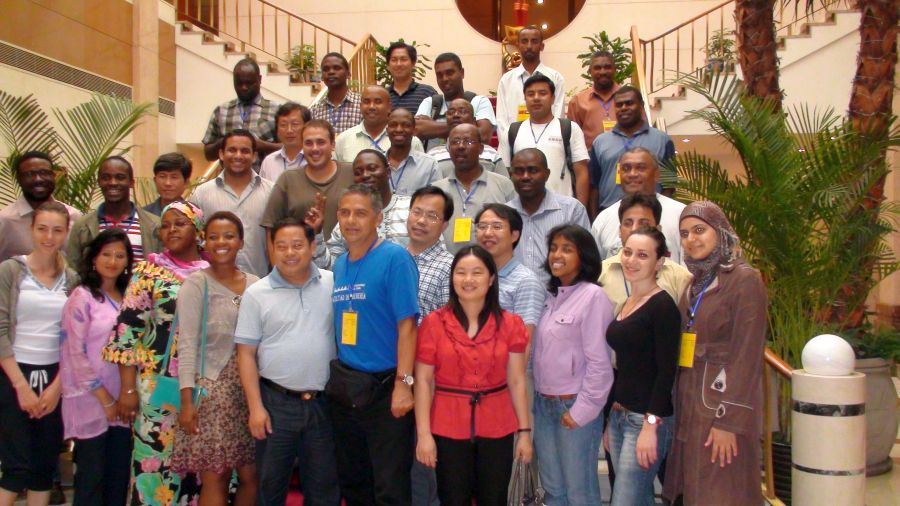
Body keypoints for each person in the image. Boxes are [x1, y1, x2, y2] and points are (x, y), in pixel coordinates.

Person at [102, 201, 210, 505]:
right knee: (156, 462)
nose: (171, 230)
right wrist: (127, 390)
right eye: (165, 225)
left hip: (206, 385)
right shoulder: (148, 273)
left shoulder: (216, 273)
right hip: (158, 387)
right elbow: (127, 333)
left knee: (202, 467)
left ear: (198, 231)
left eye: (180, 223)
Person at [663, 202, 767, 506]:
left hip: (719, 406)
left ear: (720, 231)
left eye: (699, 230)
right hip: (691, 402)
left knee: (721, 490)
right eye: (684, 233)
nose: (691, 239)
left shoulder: (744, 280)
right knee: (693, 489)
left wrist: (728, 422)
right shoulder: (695, 282)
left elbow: (747, 356)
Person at [414, 245, 533, 506]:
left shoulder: (511, 324)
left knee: (494, 498)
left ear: (491, 279)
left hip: (498, 425)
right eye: (461, 272)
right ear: (452, 278)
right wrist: (423, 434)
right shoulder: (433, 323)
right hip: (447, 425)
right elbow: (423, 381)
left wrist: (524, 432)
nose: (468, 280)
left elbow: (516, 381)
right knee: (452, 498)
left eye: (477, 272)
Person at [235, 217, 340, 506]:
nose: (289, 253)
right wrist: (256, 408)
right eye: (281, 246)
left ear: (312, 247)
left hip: (324, 404)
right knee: (270, 487)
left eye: (297, 245)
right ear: (271, 249)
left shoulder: (332, 284)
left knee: (324, 488)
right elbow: (245, 354)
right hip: (275, 403)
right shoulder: (257, 294)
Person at [329, 184, 419, 506]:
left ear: (378, 218)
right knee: (354, 482)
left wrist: (404, 384)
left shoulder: (395, 258)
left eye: (360, 213)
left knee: (389, 486)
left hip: (386, 389)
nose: (351, 220)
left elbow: (408, 326)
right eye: (345, 213)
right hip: (347, 388)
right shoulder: (340, 264)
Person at [172, 211, 259, 505]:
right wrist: (187, 402)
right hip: (212, 394)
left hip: (250, 392)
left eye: (229, 236)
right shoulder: (196, 284)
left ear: (241, 242)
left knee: (252, 475)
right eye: (213, 237)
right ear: (204, 242)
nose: (221, 242)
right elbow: (187, 345)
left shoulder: (256, 284)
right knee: (216, 475)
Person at [0, 202, 77, 506]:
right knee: (16, 468)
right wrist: (21, 387)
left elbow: (74, 340)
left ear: (66, 233)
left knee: (44, 467)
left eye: (57, 230)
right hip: (13, 374)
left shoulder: (72, 279)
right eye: (42, 229)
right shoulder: (10, 271)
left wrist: (57, 387)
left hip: (55, 376)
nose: (49, 237)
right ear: (31, 230)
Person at [532, 224, 614, 506]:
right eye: (554, 248)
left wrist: (583, 410)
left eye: (567, 249)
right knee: (553, 490)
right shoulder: (551, 298)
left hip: (573, 405)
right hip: (544, 405)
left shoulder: (593, 296)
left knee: (580, 493)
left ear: (584, 256)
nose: (557, 255)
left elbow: (600, 363)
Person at [604, 227, 680, 506]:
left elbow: (666, 372)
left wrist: (650, 426)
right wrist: (611, 418)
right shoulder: (629, 302)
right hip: (619, 415)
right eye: (628, 252)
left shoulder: (663, 307)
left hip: (646, 420)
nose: (631, 260)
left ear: (659, 262)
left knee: (624, 500)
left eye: (642, 255)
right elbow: (625, 366)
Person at [60, 229, 134, 506]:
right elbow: (74, 354)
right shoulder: (82, 297)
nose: (113, 261)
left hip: (124, 401)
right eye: (106, 254)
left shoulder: (130, 296)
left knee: (117, 479)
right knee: (91, 480)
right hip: (92, 401)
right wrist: (105, 400)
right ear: (94, 258)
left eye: (120, 255)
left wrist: (126, 394)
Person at [190, 129, 274, 278]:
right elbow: (194, 241)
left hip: (260, 283)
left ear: (254, 156)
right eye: (232, 150)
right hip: (214, 284)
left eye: (245, 151)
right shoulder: (201, 194)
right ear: (221, 154)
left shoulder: (272, 192)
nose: (238, 156)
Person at [309, 149, 412, 269]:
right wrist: (316, 234)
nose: (365, 175)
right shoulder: (349, 220)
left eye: (372, 169)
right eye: (358, 173)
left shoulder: (411, 209)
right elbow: (330, 267)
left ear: (388, 172)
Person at [500, 74, 590, 207]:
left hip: (562, 209)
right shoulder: (512, 131)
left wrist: (580, 209)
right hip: (522, 211)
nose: (536, 98)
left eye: (542, 93)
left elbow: (581, 172)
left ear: (553, 98)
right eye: (531, 94)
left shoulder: (569, 128)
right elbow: (504, 175)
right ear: (525, 99)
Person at [507, 148, 590, 284]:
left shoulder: (571, 210)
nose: (525, 177)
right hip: (513, 295)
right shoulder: (503, 215)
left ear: (547, 174)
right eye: (519, 171)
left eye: (533, 170)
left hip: (560, 294)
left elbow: (587, 260)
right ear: (511, 175)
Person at [599, 193, 692, 315]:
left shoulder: (680, 278)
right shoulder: (601, 273)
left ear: (658, 230)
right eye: (628, 223)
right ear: (620, 231)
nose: (634, 229)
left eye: (643, 223)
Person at [588, 86, 675, 215]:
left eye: (629, 103)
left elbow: (669, 185)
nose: (623, 108)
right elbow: (594, 186)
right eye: (619, 105)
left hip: (649, 213)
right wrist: (595, 219)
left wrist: (661, 214)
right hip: (609, 213)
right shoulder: (600, 142)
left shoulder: (662, 140)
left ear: (641, 106)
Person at [261, 120, 355, 239]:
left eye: (321, 142)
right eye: (308, 143)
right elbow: (270, 228)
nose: (315, 148)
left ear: (333, 145)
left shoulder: (351, 173)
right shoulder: (288, 180)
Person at [591, 148, 685, 263]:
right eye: (626, 169)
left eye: (641, 168)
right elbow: (596, 269)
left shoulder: (680, 214)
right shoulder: (603, 219)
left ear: (656, 174)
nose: (632, 174)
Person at [432, 124, 515, 253]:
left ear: (481, 149)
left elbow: (514, 228)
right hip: (447, 263)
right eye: (455, 142)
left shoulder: (503, 185)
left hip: (494, 263)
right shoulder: (436, 190)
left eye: (469, 141)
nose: (461, 146)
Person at [67, 156, 162, 268]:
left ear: (131, 183)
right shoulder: (82, 226)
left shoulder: (155, 225)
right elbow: (73, 270)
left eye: (120, 177)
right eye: (106, 177)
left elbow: (163, 269)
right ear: (99, 182)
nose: (113, 183)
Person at [474, 204, 546, 337]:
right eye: (482, 227)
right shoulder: (471, 276)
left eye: (497, 227)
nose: (487, 233)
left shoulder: (526, 282)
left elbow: (524, 341)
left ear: (514, 235)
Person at [0, 151, 82, 262]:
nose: (38, 179)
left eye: (44, 173)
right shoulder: (5, 220)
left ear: (53, 176)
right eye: (29, 174)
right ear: (18, 180)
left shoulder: (74, 216)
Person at [203, 58, 281, 170]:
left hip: (263, 178)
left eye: (249, 83)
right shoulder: (221, 111)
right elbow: (208, 154)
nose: (244, 87)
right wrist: (224, 143)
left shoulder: (276, 110)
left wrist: (261, 145)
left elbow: (291, 149)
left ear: (259, 79)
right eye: (239, 83)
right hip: (228, 179)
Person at [496, 25, 565, 143]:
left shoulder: (555, 78)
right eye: (524, 41)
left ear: (542, 46)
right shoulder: (506, 80)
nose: (529, 46)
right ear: (517, 45)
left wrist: (546, 143)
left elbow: (558, 114)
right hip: (515, 144)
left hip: (547, 144)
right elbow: (501, 120)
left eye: (534, 41)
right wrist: (510, 144)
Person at [415, 53, 496, 149]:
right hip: (433, 159)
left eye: (449, 73)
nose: (444, 79)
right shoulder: (430, 103)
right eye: (439, 75)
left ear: (462, 73)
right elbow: (417, 130)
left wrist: (433, 126)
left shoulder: (479, 102)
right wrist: (469, 127)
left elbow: (484, 136)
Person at [335, 86, 424, 162]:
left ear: (389, 107)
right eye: (366, 102)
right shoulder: (343, 140)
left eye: (378, 102)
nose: (371, 107)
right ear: (360, 106)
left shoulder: (411, 141)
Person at [406, 186, 454, 321]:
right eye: (416, 212)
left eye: (432, 216)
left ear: (444, 225)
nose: (421, 221)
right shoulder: (393, 259)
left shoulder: (450, 267)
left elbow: (450, 322)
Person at [427, 98, 508, 178]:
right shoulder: (433, 156)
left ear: (473, 121)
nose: (456, 115)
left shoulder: (491, 155)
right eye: (451, 112)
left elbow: (504, 184)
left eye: (462, 112)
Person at [567, 51, 621, 148]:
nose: (603, 72)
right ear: (590, 71)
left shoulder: (628, 98)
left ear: (615, 69)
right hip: (589, 156)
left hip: (625, 154)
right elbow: (573, 138)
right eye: (597, 68)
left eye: (607, 67)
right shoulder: (578, 101)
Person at [385, 108, 440, 196]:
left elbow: (437, 199)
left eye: (406, 125)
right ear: (387, 130)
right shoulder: (376, 163)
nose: (399, 129)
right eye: (393, 125)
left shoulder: (429, 165)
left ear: (414, 130)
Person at [310, 52, 363, 135]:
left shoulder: (362, 104)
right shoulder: (315, 110)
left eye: (337, 68)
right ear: (322, 77)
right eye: (326, 69)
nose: (331, 72)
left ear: (348, 74)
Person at [260, 102, 311, 182]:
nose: (289, 130)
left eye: (295, 124)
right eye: (283, 125)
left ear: (307, 127)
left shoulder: (316, 158)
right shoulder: (269, 161)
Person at [385, 41, 437, 112]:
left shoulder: (428, 93)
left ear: (413, 63)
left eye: (403, 59)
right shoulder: (382, 95)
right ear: (388, 65)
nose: (398, 64)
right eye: (394, 60)